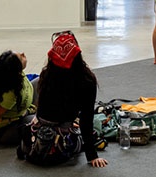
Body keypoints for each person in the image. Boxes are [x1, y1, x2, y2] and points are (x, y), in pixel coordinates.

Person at [19, 31, 108, 168]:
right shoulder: (86, 80)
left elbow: (42, 110)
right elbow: (86, 120)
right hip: (61, 144)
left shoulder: (46, 74)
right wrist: (92, 156)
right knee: (95, 125)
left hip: (35, 139)